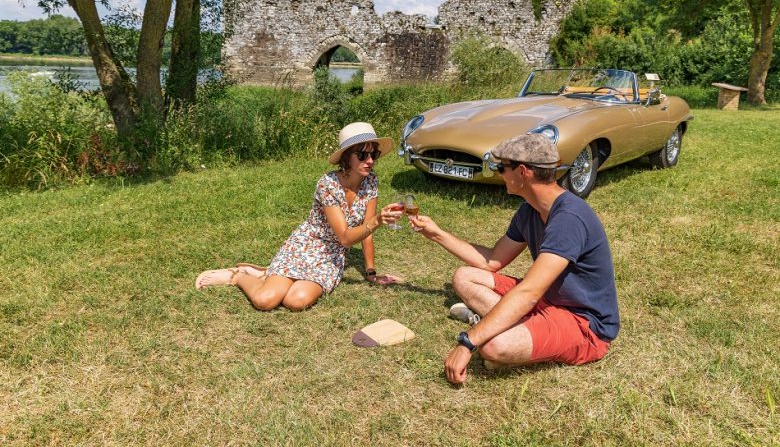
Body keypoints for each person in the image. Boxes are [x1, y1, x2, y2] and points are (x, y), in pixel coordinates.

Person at [410, 133, 620, 384]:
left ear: (523, 172)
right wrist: (438, 234)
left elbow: (528, 292)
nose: (499, 173)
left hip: (583, 323)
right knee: (464, 276)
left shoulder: (568, 218)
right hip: (546, 300)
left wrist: (468, 341)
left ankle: (500, 326)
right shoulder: (529, 210)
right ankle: (510, 323)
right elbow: (492, 261)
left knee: (493, 347)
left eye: (502, 167)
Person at [195, 122, 404, 311]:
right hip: (306, 244)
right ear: (346, 156)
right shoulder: (328, 184)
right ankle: (238, 276)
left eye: (373, 155)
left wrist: (370, 272)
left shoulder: (371, 182)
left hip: (330, 256)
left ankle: (266, 273)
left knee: (296, 301)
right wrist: (377, 221)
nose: (369, 161)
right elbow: (345, 237)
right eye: (362, 155)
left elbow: (365, 232)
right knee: (265, 300)